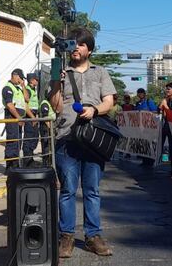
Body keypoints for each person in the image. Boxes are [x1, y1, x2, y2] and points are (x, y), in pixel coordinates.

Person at [50, 28, 115, 258]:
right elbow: (57, 106)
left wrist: (94, 109)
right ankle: (66, 236)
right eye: (72, 44)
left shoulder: (100, 72)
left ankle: (92, 236)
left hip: (93, 140)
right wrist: (56, 83)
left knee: (92, 190)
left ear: (89, 49)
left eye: (80, 44)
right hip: (66, 138)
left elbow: (109, 101)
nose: (75, 47)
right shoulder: (61, 72)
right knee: (67, 190)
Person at [2, 68, 29, 169]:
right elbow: (9, 105)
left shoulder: (18, 88)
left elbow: (27, 99)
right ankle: (10, 166)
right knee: (13, 140)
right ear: (15, 75)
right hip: (12, 117)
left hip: (18, 118)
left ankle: (15, 163)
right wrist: (18, 118)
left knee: (18, 141)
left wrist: (23, 86)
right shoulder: (7, 88)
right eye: (21, 78)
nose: (21, 80)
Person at [22, 73, 40, 167]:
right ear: (31, 80)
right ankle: (27, 162)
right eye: (36, 79)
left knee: (35, 137)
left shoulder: (33, 90)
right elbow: (25, 106)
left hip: (34, 116)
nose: (37, 81)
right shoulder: (28, 90)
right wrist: (33, 117)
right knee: (29, 139)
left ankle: (30, 159)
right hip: (30, 117)